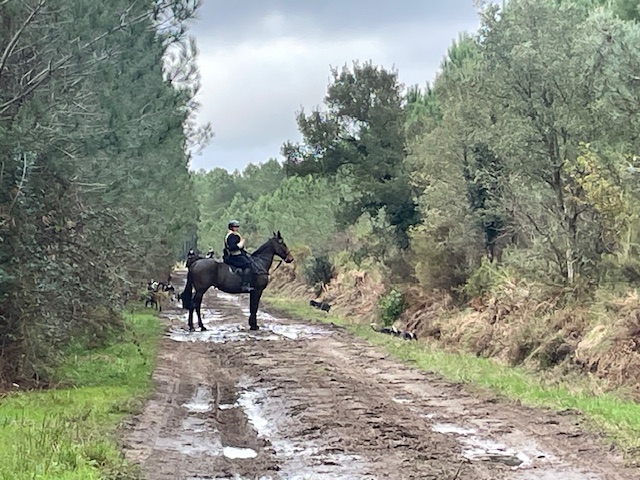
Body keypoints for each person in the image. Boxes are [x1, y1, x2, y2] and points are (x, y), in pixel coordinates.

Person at [223, 220, 254, 291]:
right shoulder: (231, 236)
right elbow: (231, 247)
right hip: (234, 256)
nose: (237, 228)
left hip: (237, 255)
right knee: (248, 264)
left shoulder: (234, 235)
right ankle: (245, 284)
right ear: (231, 227)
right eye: (235, 227)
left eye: (237, 226)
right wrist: (240, 245)